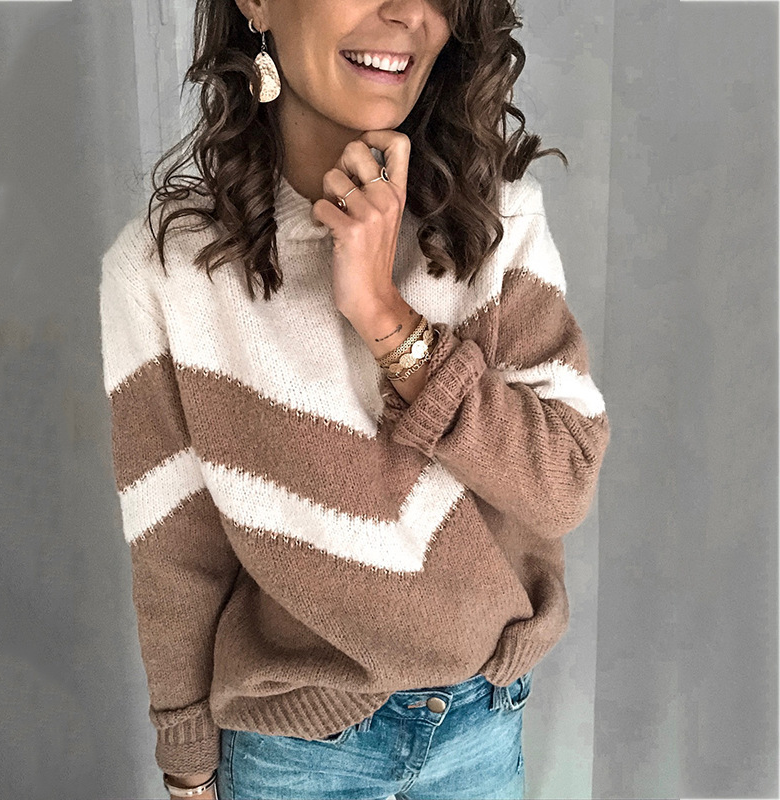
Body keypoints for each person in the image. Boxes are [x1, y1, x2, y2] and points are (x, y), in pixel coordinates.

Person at [98, 0, 611, 798]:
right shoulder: (168, 271)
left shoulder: (497, 222)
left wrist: (385, 318)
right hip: (293, 756)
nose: (406, 11)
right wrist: (188, 764)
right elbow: (177, 552)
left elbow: (564, 483)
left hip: (480, 723)